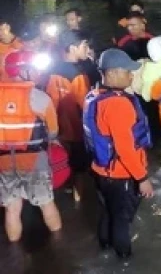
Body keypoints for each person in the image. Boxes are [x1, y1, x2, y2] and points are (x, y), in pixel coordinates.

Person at [84, 48, 154, 259]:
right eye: (128, 71)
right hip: (120, 173)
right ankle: (124, 260)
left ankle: (104, 248)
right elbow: (125, 148)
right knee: (122, 219)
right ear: (112, 73)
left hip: (100, 169)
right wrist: (142, 178)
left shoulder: (94, 94)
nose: (132, 75)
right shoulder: (118, 104)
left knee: (108, 212)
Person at [0, 50, 61, 241]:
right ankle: (60, 250)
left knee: (12, 208)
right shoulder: (40, 98)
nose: (37, 72)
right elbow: (53, 132)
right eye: (33, 68)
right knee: (46, 203)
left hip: (2, 162)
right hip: (34, 161)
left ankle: (14, 254)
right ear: (23, 70)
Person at [45, 30, 91, 202]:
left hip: (58, 128)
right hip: (77, 129)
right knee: (79, 168)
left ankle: (64, 189)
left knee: (62, 162)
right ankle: (78, 200)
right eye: (84, 45)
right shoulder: (78, 75)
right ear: (73, 48)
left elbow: (50, 99)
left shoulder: (53, 69)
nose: (87, 49)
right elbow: (84, 105)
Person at [64, 9, 101, 87]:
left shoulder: (87, 33)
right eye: (67, 20)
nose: (69, 22)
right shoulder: (63, 35)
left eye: (72, 20)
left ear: (79, 19)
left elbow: (92, 50)